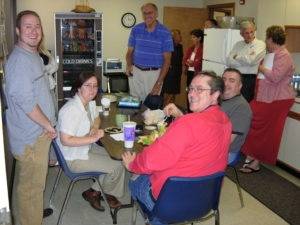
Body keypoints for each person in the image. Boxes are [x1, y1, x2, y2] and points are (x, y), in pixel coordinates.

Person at [122, 71, 232, 225]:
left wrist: (132, 165)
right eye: (191, 88)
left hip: (170, 202)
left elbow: (151, 161)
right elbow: (200, 136)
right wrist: (182, 117)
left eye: (199, 89)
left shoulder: (187, 124)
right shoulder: (225, 121)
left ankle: (157, 220)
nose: (192, 94)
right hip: (204, 200)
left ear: (215, 95)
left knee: (135, 180)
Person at [4, 10, 56, 225]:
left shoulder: (33, 55)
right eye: (28, 26)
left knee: (29, 187)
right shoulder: (18, 62)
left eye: (37, 26)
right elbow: (26, 102)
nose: (34, 31)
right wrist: (48, 126)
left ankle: (28, 213)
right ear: (17, 31)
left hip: (38, 133)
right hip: (31, 138)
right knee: (31, 190)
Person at [56, 72, 125, 211]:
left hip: (84, 147)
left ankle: (94, 191)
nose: (92, 89)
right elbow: (65, 140)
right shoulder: (71, 110)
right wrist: (93, 138)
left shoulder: (88, 103)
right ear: (78, 88)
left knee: (120, 158)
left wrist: (94, 127)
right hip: (73, 157)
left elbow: (96, 118)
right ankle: (103, 192)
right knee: (117, 166)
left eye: (95, 86)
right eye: (87, 85)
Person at [240, 25, 296, 173]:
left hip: (277, 99)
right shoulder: (273, 53)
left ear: (272, 39)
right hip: (266, 97)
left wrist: (261, 68)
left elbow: (275, 77)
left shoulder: (284, 55)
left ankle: (255, 161)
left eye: (267, 38)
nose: (266, 41)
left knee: (262, 129)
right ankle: (252, 157)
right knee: (255, 124)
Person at [125, 2, 173, 101]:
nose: (147, 15)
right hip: (136, 72)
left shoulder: (165, 32)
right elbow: (129, 52)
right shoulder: (136, 29)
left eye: (150, 13)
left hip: (154, 74)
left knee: (151, 107)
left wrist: (159, 82)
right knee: (135, 103)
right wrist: (129, 65)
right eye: (144, 13)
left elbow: (167, 61)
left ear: (156, 14)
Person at [227, 21, 266, 102]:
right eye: (246, 33)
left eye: (252, 32)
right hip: (236, 76)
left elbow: (250, 61)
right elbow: (229, 61)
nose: (250, 35)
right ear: (241, 34)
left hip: (249, 79)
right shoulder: (238, 44)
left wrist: (236, 57)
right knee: (233, 100)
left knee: (245, 102)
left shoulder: (260, 44)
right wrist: (243, 60)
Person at [221, 68, 252, 163]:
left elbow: (226, 141)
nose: (226, 83)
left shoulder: (242, 108)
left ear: (240, 86)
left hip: (226, 152)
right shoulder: (218, 98)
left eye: (232, 80)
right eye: (224, 79)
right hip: (208, 142)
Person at [162, 29, 183, 105]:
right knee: (167, 93)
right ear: (173, 36)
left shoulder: (180, 46)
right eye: (178, 35)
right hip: (169, 73)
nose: (180, 36)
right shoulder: (168, 46)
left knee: (174, 93)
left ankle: (170, 111)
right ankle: (163, 110)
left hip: (177, 73)